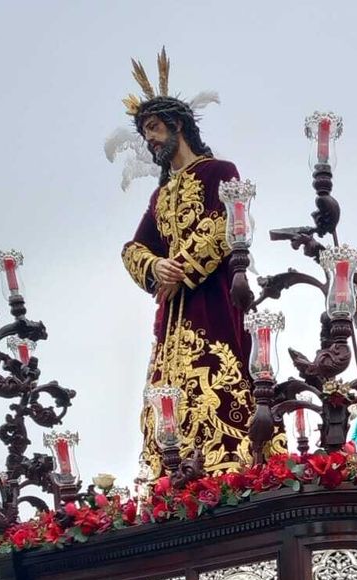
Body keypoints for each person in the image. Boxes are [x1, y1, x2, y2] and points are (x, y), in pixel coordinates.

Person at [119, 51, 254, 476]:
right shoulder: (160, 197)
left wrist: (177, 267)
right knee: (168, 403)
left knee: (220, 383)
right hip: (171, 323)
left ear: (177, 125)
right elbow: (132, 248)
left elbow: (226, 222)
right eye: (145, 134)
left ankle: (228, 466)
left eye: (155, 128)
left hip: (213, 304)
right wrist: (154, 269)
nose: (151, 140)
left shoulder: (219, 171)